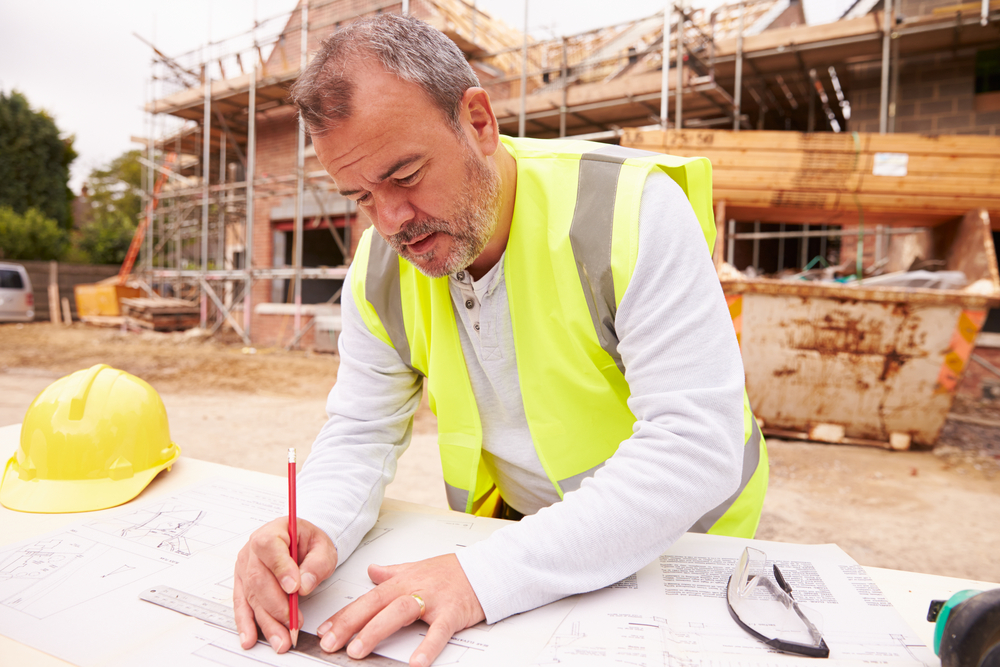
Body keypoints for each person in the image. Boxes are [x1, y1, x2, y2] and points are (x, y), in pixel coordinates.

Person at [233, 13, 767, 667]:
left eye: (404, 174)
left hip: (684, 544)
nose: (391, 220)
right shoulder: (376, 272)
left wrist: (479, 576)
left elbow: (691, 447)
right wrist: (310, 524)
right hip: (528, 542)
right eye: (360, 196)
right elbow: (359, 433)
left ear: (479, 122)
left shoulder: (631, 211)